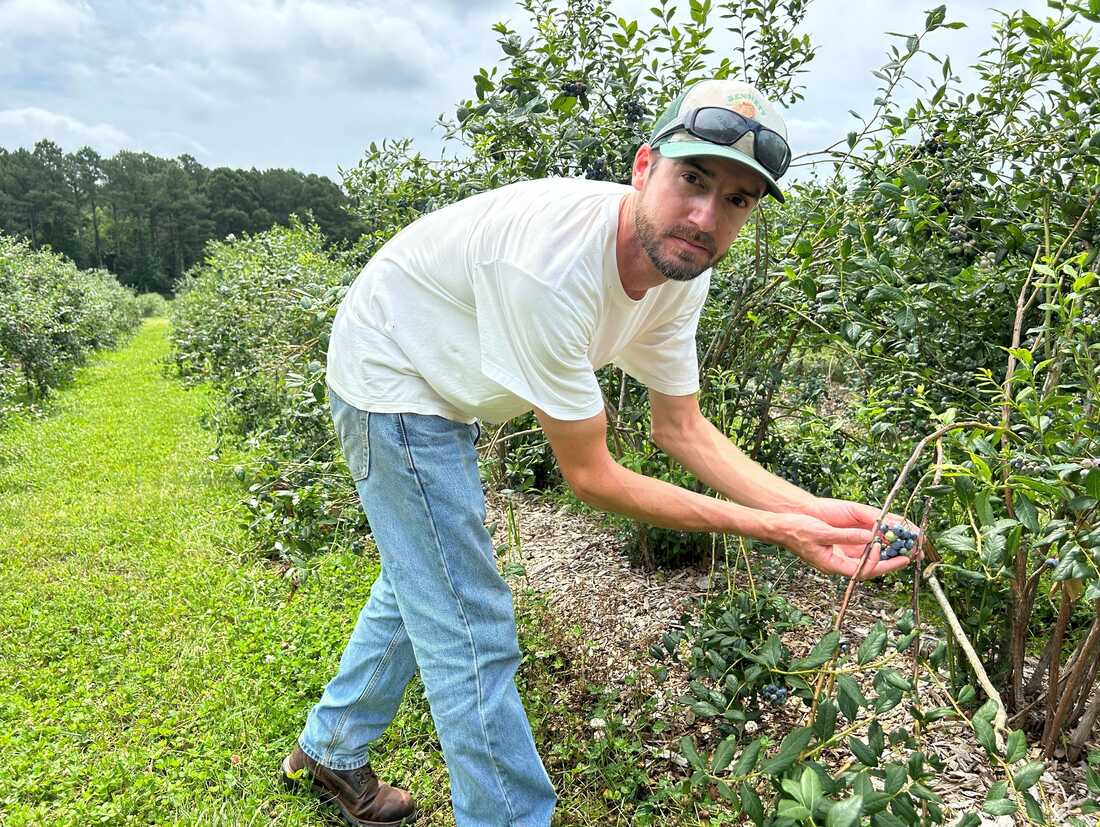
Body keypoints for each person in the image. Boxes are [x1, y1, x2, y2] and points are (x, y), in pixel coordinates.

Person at [280, 79, 914, 827]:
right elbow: (593, 476)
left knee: (430, 575)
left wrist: (820, 511)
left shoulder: (682, 268)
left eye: (737, 200)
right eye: (694, 179)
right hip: (392, 373)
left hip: (448, 378)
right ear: (645, 166)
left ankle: (331, 744)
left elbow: (682, 429)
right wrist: (782, 530)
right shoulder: (552, 267)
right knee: (468, 620)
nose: (706, 216)